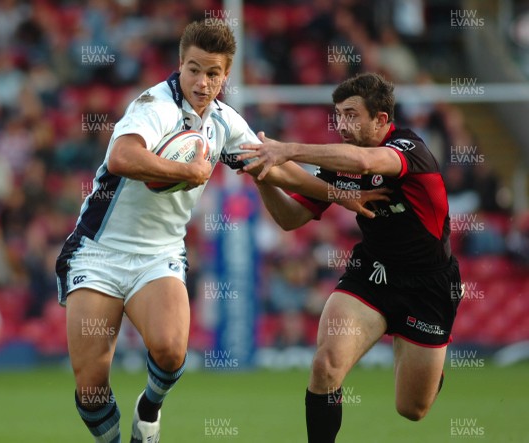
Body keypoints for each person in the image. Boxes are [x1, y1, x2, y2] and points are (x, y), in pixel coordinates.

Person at [55, 20, 385, 443]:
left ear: (225, 76)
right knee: (91, 386)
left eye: (213, 73)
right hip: (98, 252)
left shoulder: (225, 123)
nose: (202, 81)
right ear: (180, 65)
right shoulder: (154, 106)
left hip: (159, 254)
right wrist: (185, 170)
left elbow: (277, 167)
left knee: (172, 352)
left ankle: (149, 408)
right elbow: (121, 157)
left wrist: (340, 194)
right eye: (194, 69)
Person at [239, 72, 463, 443]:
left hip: (429, 286)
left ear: (381, 120)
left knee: (412, 409)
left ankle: (428, 369)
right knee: (326, 366)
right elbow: (289, 219)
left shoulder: (409, 150)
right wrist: (264, 177)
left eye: (351, 114)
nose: (341, 123)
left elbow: (365, 162)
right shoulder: (340, 163)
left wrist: (287, 149)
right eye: (338, 114)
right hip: (371, 275)